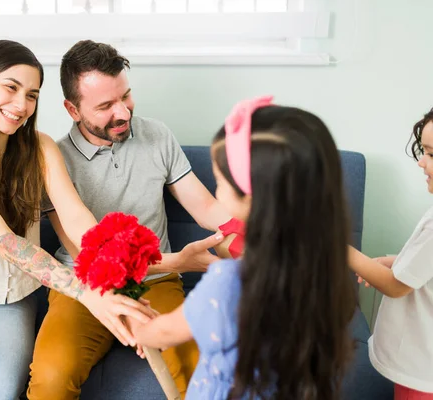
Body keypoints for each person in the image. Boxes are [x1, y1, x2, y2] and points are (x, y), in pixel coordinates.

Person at [0, 39, 152, 400]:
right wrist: (87, 294)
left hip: (11, 297)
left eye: (32, 95)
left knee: (3, 392)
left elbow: (77, 217)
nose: (21, 105)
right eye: (11, 87)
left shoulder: (42, 148)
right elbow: (4, 240)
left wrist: (117, 286)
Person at [27, 40, 231, 399]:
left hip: (157, 279)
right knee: (50, 377)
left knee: (200, 365)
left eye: (126, 96)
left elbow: (205, 207)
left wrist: (255, 233)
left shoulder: (157, 135)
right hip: (85, 286)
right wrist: (181, 261)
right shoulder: (55, 159)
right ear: (72, 109)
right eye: (105, 106)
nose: (123, 112)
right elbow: (85, 248)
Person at [132, 96, 358, 400]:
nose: (216, 190)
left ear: (254, 198)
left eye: (220, 182)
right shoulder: (327, 272)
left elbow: (163, 333)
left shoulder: (229, 281)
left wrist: (137, 322)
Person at [349, 107, 433, 399]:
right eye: (423, 151)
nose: (421, 162)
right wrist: (396, 261)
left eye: (432, 155)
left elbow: (396, 286)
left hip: (420, 372)